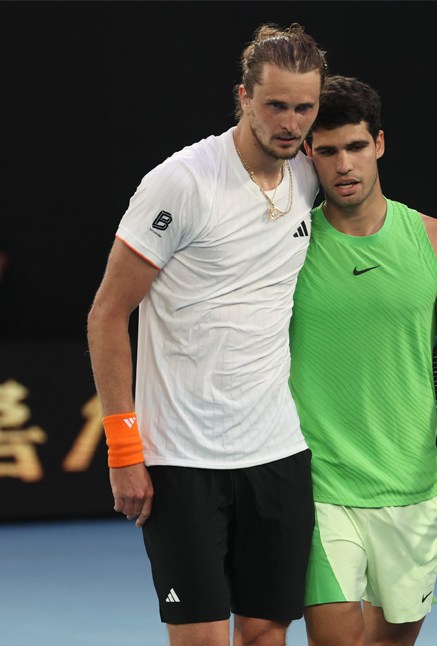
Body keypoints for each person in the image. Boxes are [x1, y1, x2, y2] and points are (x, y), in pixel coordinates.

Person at [85, 23, 327, 646]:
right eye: (275, 105)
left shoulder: (308, 176)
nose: (291, 122)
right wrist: (123, 451)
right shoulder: (182, 182)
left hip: (277, 454)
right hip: (182, 462)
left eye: (305, 108)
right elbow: (108, 316)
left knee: (265, 635)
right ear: (243, 97)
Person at [289, 75, 437, 646]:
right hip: (319, 485)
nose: (344, 165)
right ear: (308, 155)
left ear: (380, 144)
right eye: (328, 150)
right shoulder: (287, 249)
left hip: (412, 490)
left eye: (356, 147)